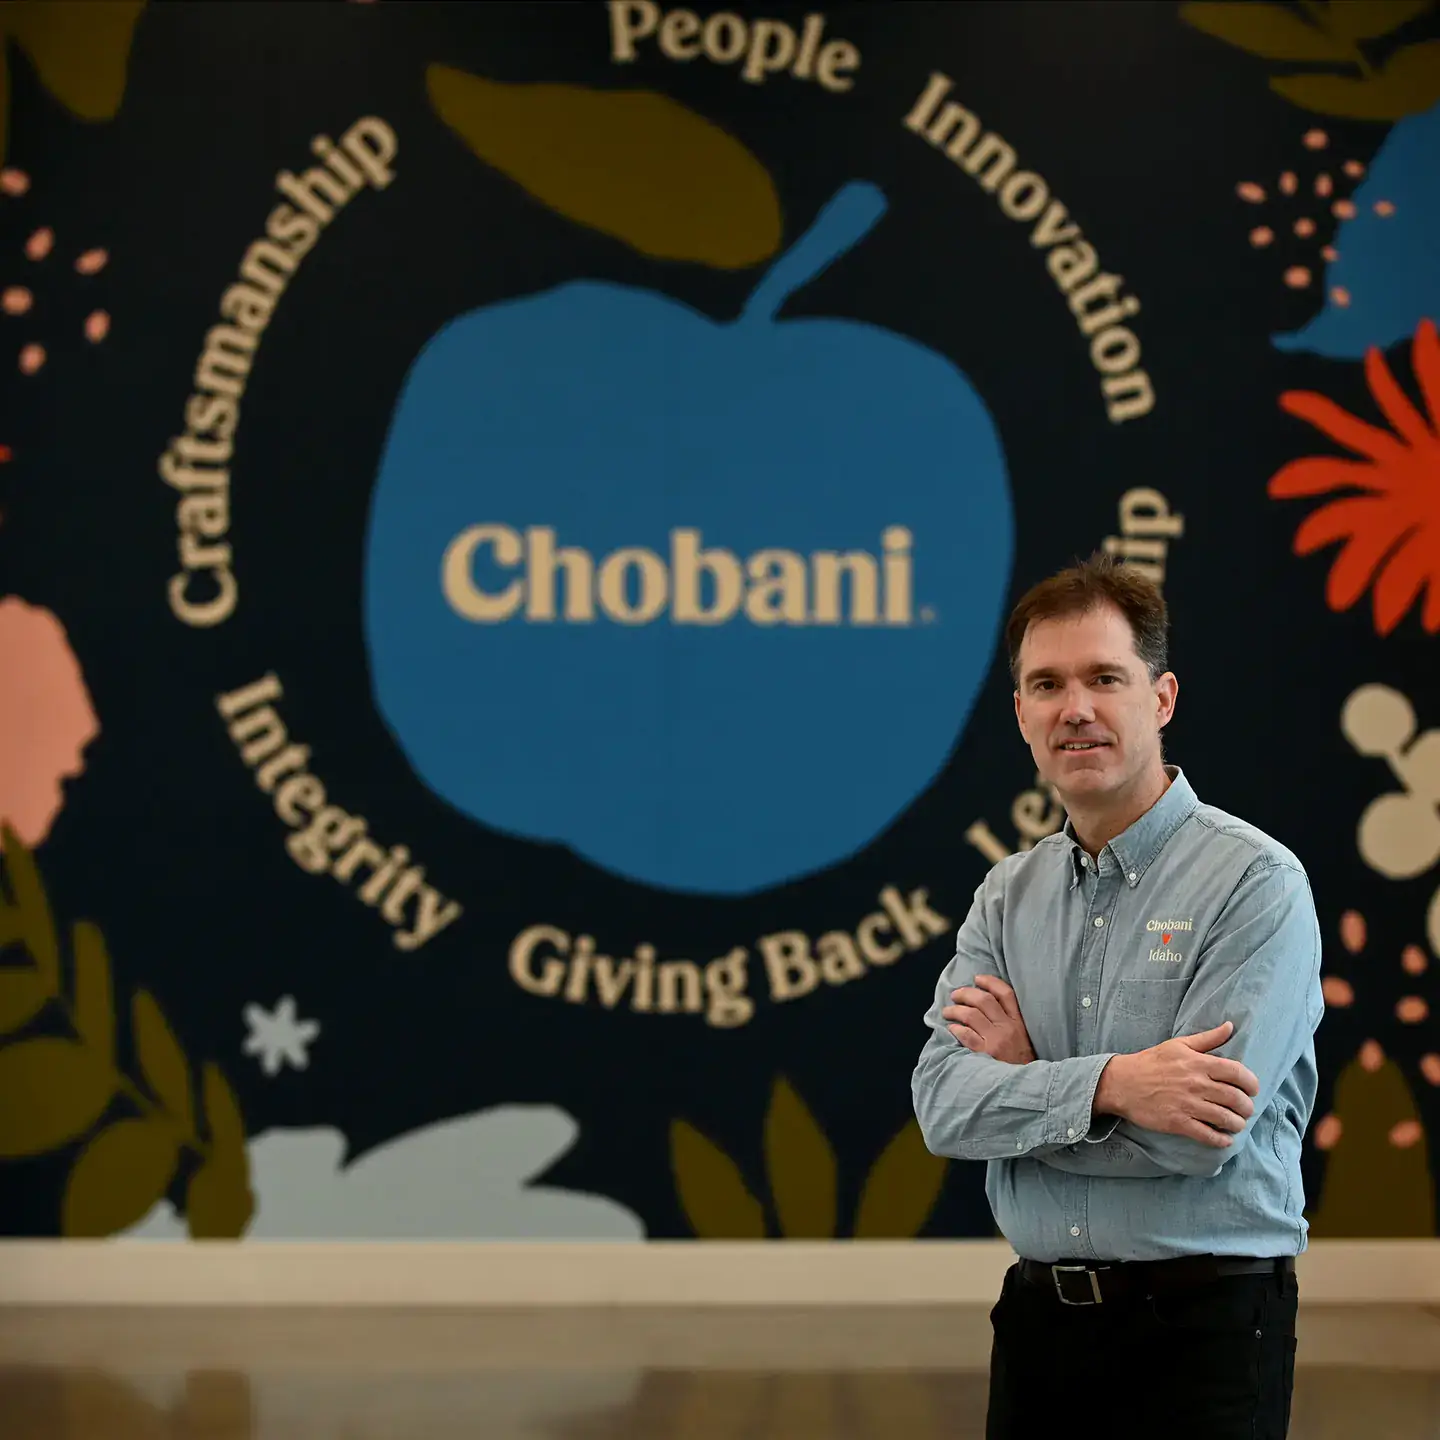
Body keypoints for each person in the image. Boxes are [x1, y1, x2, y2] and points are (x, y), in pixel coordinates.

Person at [912, 554, 1322, 1440]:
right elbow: (944, 1110)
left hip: (1207, 1332)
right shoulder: (1006, 897)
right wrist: (1111, 1086)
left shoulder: (1256, 883)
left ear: (1161, 699)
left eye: (1106, 677)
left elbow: (1199, 1141)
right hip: (1037, 1328)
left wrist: (1028, 1084)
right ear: (1021, 713)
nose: (1077, 708)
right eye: (1047, 684)